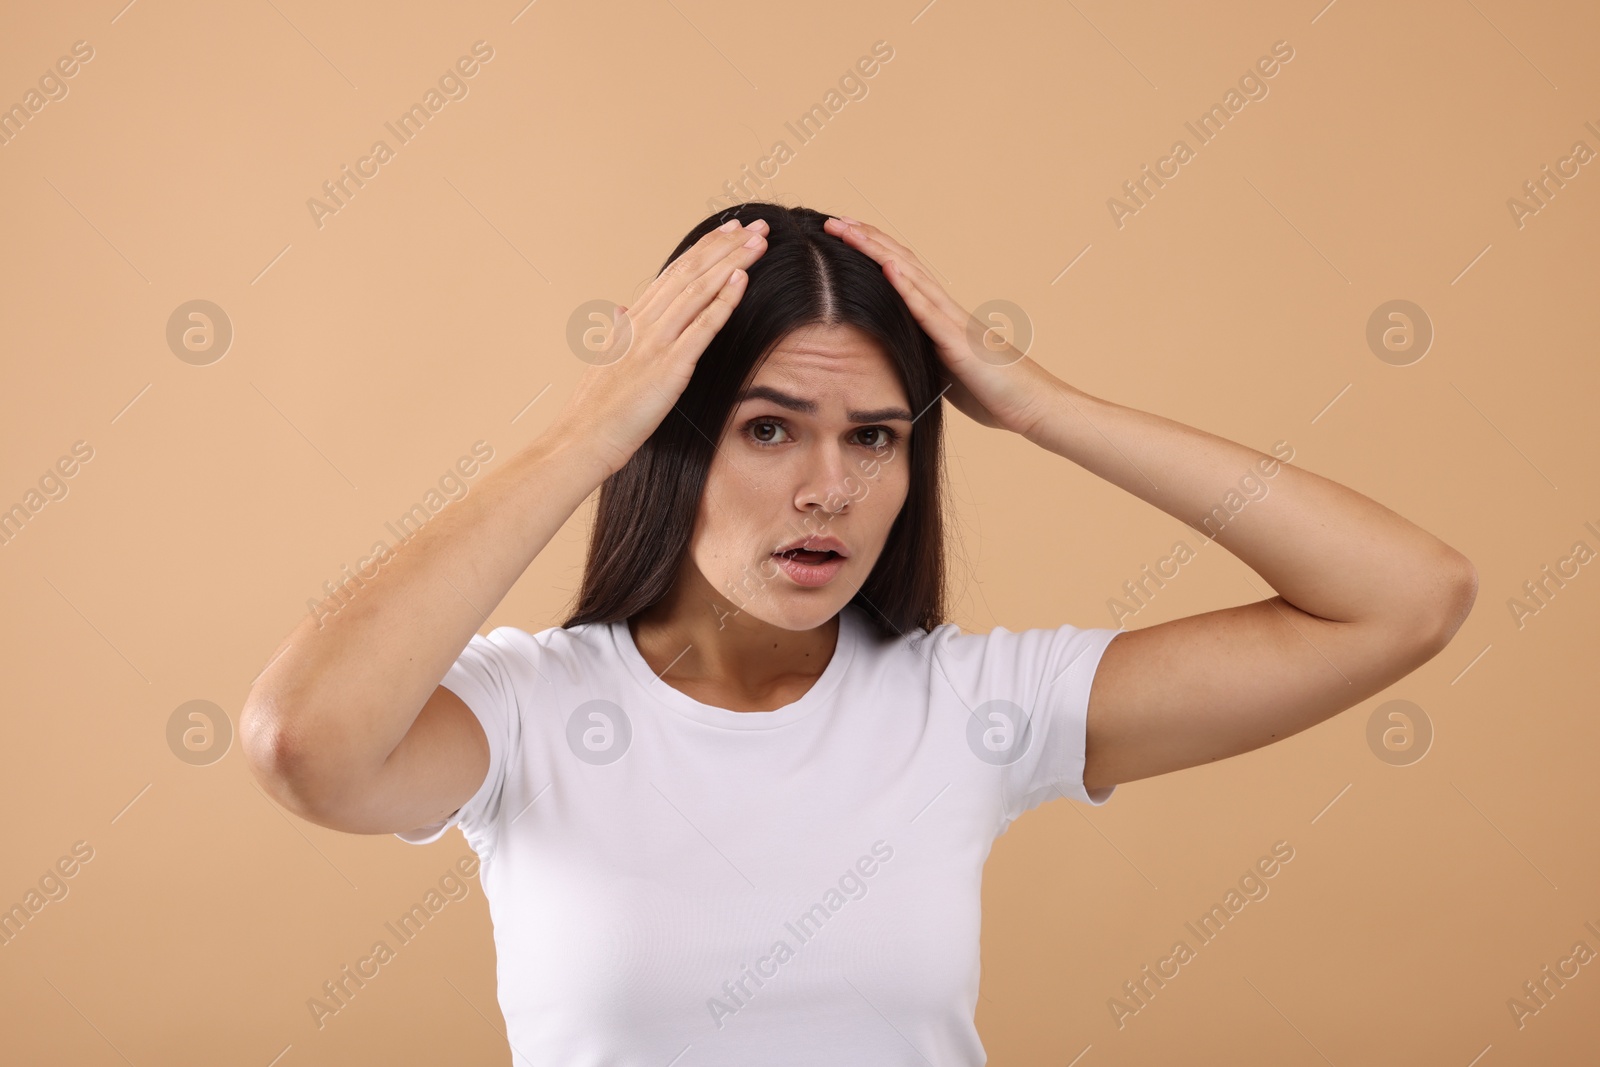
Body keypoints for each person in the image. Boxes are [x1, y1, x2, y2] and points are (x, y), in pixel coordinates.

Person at [241, 203, 1477, 1064]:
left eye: (874, 435)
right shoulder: (525, 711)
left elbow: (1405, 595)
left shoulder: (972, 706)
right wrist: (581, 437)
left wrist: (1046, 405)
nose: (828, 488)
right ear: (670, 438)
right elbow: (304, 740)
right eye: (769, 428)